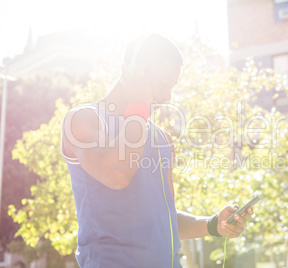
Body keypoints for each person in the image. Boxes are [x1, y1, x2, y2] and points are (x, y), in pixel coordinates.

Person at [61, 33, 253, 268]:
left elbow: (164, 217)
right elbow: (117, 174)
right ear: (133, 72)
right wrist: (139, 107)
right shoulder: (84, 120)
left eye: (172, 87)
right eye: (163, 83)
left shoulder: (162, 138)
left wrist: (213, 224)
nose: (167, 96)